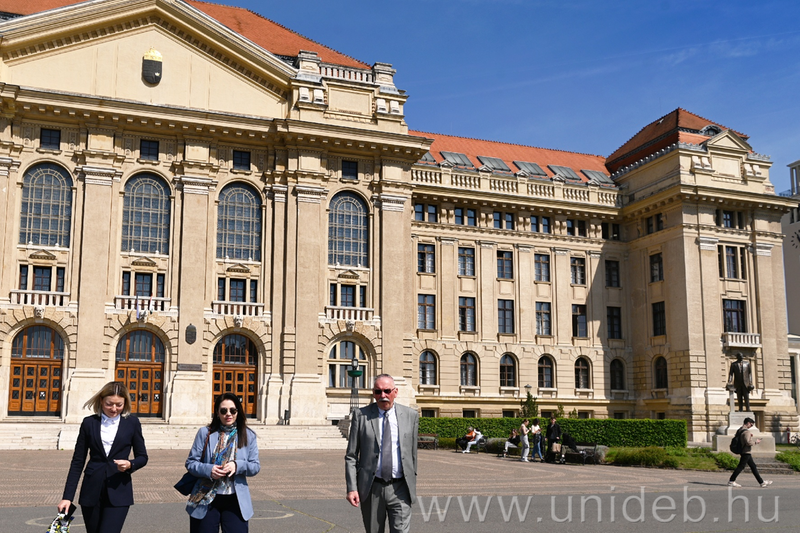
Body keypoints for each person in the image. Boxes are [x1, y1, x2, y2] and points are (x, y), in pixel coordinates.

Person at [58, 381, 148, 533]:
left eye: (119, 405)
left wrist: (130, 464)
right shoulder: (89, 423)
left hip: (119, 490)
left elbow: (142, 457)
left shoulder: (132, 423)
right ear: (101, 401)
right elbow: (77, 462)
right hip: (91, 490)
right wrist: (67, 497)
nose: (114, 409)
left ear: (125, 403)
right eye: (109, 404)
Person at [345, 374, 419, 533]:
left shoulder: (410, 416)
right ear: (373, 393)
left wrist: (412, 480)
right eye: (378, 392)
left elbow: (412, 454)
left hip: (401, 488)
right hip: (372, 488)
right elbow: (351, 456)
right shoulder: (361, 415)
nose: (382, 395)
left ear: (395, 392)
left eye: (387, 391)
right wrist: (352, 488)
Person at [185, 392, 260, 533]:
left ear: (238, 412)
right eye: (224, 410)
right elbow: (191, 463)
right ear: (217, 413)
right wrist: (209, 470)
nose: (228, 414)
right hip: (205, 497)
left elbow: (255, 466)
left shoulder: (248, 435)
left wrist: (237, 465)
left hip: (235, 499)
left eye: (233, 410)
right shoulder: (205, 433)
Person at [728, 417, 772, 488]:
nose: (751, 426)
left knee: (753, 466)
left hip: (742, 450)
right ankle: (731, 481)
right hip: (746, 451)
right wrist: (756, 442)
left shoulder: (740, 430)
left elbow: (742, 438)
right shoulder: (746, 432)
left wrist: (749, 436)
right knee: (741, 466)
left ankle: (761, 482)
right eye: (751, 425)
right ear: (748, 423)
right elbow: (748, 442)